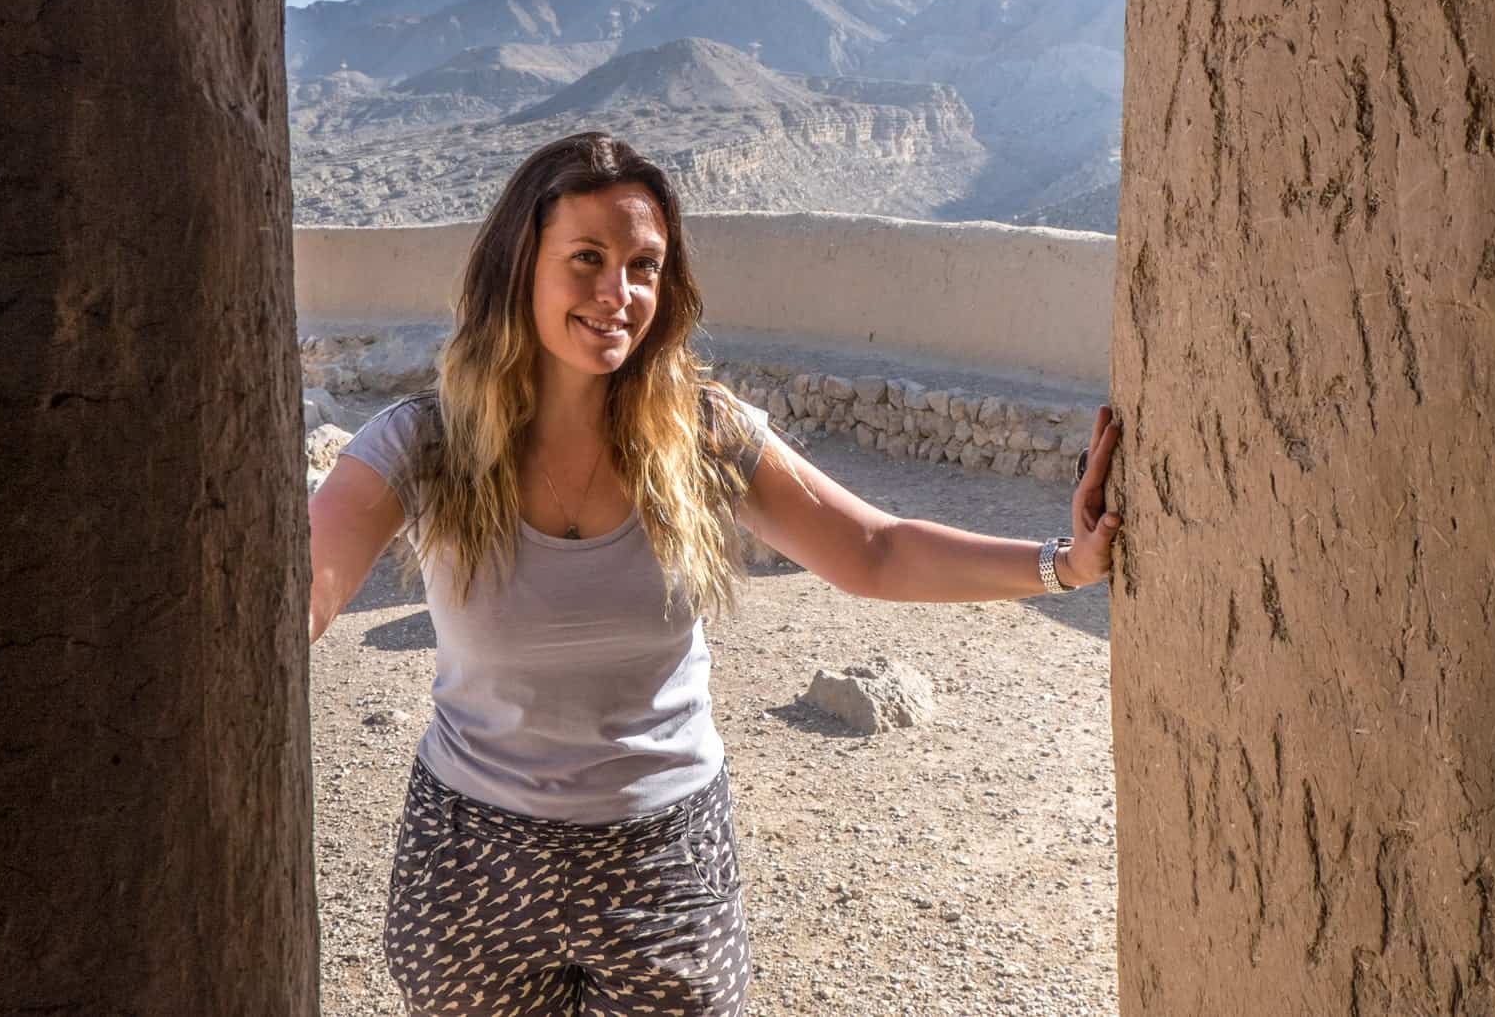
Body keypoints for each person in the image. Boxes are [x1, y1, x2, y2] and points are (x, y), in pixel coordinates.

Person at [307, 131, 1122, 1017]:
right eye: (586, 258)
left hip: (663, 854)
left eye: (644, 265)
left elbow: (873, 549)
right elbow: (311, 576)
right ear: (519, 266)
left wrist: (1064, 564)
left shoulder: (704, 433)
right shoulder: (424, 442)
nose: (617, 294)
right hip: (476, 858)